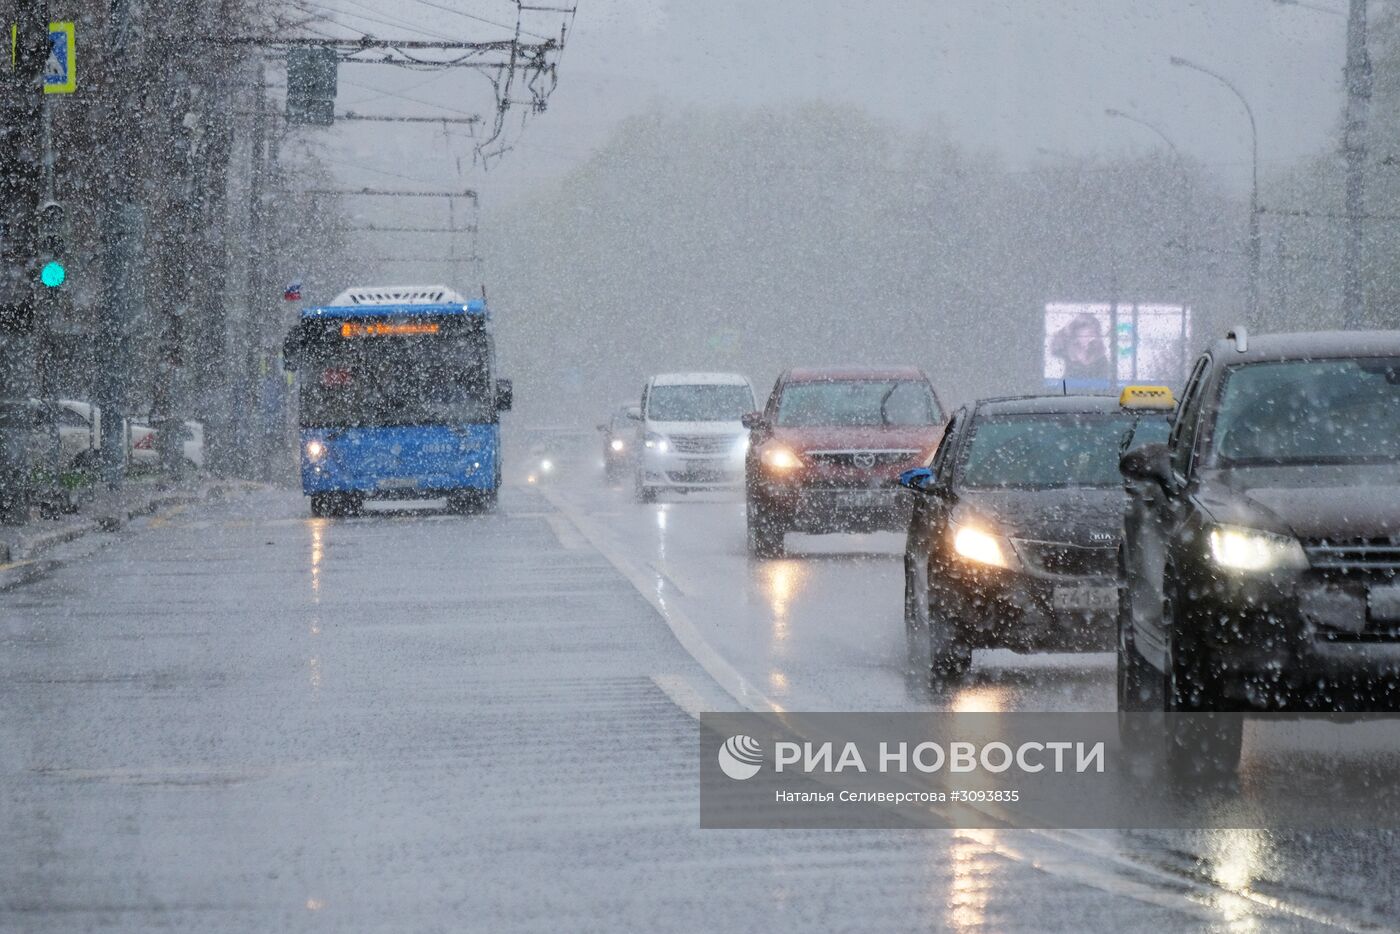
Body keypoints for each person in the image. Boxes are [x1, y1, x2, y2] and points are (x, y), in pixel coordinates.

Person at [1050, 313, 1111, 381]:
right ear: (1076, 334)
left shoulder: (1101, 359)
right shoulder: (1065, 351)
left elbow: (1103, 385)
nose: (1092, 338)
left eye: (1095, 334)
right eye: (1089, 334)